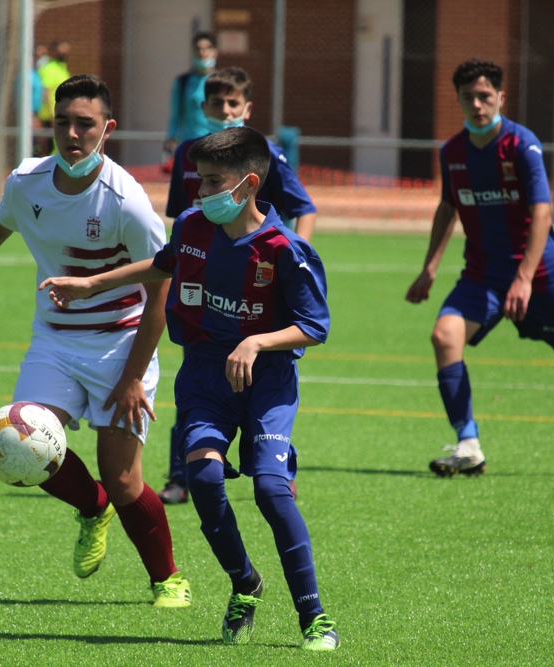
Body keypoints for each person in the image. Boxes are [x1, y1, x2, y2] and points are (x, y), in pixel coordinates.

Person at [40, 126, 339, 650]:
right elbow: (161, 266)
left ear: (248, 184)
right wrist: (90, 283)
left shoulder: (285, 249)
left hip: (267, 382)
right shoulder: (196, 227)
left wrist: (257, 343)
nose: (200, 193)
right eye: (198, 181)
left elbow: (315, 326)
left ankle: (314, 617)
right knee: (201, 477)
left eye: (212, 182)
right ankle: (245, 582)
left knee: (271, 490)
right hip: (204, 375)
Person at [0, 74, 191, 607]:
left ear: (108, 129)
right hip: (54, 343)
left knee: (126, 480)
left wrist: (133, 377)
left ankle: (167, 578)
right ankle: (92, 506)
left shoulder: (126, 200)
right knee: (20, 442)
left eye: (85, 124)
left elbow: (161, 293)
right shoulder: (27, 181)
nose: (72, 134)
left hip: (119, 345)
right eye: (62, 122)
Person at [405, 58, 554, 478]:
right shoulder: (451, 152)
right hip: (482, 276)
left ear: (501, 97)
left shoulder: (522, 145)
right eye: (468, 97)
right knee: (444, 334)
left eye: (485, 95)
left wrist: (524, 278)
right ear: (458, 100)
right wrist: (429, 267)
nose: (477, 103)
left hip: (540, 276)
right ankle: (468, 444)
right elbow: (448, 206)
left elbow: (542, 212)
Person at [159, 65, 318, 504]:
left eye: (233, 104)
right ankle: (181, 474)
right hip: (205, 272)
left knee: (258, 381)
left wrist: (293, 260)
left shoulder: (264, 155)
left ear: (247, 108)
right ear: (204, 108)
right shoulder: (190, 154)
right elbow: (181, 217)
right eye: (216, 104)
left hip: (256, 277)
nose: (225, 111)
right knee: (198, 373)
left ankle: (276, 464)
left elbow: (304, 207)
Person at [163, 32, 217, 159]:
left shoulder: (222, 80)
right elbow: (176, 114)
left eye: (207, 49)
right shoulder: (183, 82)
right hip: (189, 145)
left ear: (215, 52)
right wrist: (171, 138)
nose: (202, 53)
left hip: (215, 143)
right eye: (198, 49)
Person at [36, 40, 71, 156]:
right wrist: (52, 113)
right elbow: (46, 91)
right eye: (60, 51)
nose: (64, 54)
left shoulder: (62, 69)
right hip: (49, 115)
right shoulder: (49, 69)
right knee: (46, 146)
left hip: (61, 113)